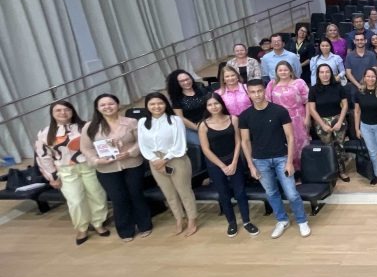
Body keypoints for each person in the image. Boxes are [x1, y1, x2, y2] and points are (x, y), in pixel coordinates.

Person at [240, 79, 309, 238]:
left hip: (281, 158)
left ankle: (301, 220)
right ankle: (282, 220)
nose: (256, 95)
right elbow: (245, 141)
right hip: (260, 160)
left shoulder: (279, 111)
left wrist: (289, 161)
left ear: (264, 90)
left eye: (259, 91)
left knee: (291, 193)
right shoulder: (245, 116)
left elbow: (290, 137)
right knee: (271, 193)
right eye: (253, 92)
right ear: (248, 94)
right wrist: (251, 165)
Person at [36, 100, 109, 245]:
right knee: (75, 200)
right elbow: (43, 156)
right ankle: (82, 227)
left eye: (66, 109)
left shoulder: (86, 127)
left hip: (89, 166)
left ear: (72, 111)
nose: (63, 113)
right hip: (66, 170)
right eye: (58, 110)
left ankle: (98, 223)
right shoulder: (45, 133)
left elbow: (99, 145)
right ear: (52, 113)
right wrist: (52, 177)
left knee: (97, 195)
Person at [81, 94, 151, 242]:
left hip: (132, 164)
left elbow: (141, 141)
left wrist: (130, 152)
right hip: (107, 169)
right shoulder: (90, 126)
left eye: (111, 103)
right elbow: (86, 149)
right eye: (103, 105)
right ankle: (126, 230)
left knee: (136, 195)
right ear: (97, 108)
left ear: (118, 105)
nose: (107, 107)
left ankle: (145, 225)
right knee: (119, 199)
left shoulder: (131, 122)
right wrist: (97, 160)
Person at [138, 93, 198, 237]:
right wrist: (154, 159)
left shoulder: (175, 120)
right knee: (169, 193)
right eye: (152, 104)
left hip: (176, 157)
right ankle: (179, 219)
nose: (156, 107)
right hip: (154, 160)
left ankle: (192, 219)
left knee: (184, 191)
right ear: (147, 106)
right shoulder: (142, 122)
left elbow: (180, 143)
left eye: (160, 103)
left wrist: (165, 159)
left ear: (165, 104)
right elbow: (142, 144)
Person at [198, 93, 258, 237]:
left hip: (234, 160)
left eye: (216, 103)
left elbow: (238, 141)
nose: (214, 107)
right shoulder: (203, 125)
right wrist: (223, 166)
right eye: (210, 104)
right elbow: (205, 149)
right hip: (215, 164)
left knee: (240, 192)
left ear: (221, 104)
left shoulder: (233, 119)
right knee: (223, 194)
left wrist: (234, 162)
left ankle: (246, 221)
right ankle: (231, 222)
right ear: (206, 107)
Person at [308, 63, 351, 182]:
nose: (325, 75)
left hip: (338, 119)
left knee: (340, 147)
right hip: (322, 122)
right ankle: (331, 171)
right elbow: (311, 109)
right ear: (318, 75)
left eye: (327, 72)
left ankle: (342, 171)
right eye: (321, 72)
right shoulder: (313, 89)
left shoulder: (338, 87)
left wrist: (340, 121)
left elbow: (345, 105)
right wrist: (322, 124)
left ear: (331, 73)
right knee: (328, 148)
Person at [267, 62, 309, 171]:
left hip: (298, 118)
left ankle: (304, 171)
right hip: (279, 119)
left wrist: (307, 118)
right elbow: (267, 102)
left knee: (300, 144)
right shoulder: (272, 84)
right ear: (276, 72)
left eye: (285, 70)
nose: (283, 72)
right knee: (284, 143)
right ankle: (289, 171)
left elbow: (308, 101)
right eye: (280, 70)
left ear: (290, 71)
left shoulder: (299, 82)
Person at [166, 69, 208, 147]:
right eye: (182, 81)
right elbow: (181, 118)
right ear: (177, 83)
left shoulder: (201, 89)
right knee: (202, 144)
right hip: (192, 126)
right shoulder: (176, 98)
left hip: (208, 121)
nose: (186, 82)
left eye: (187, 79)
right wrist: (198, 128)